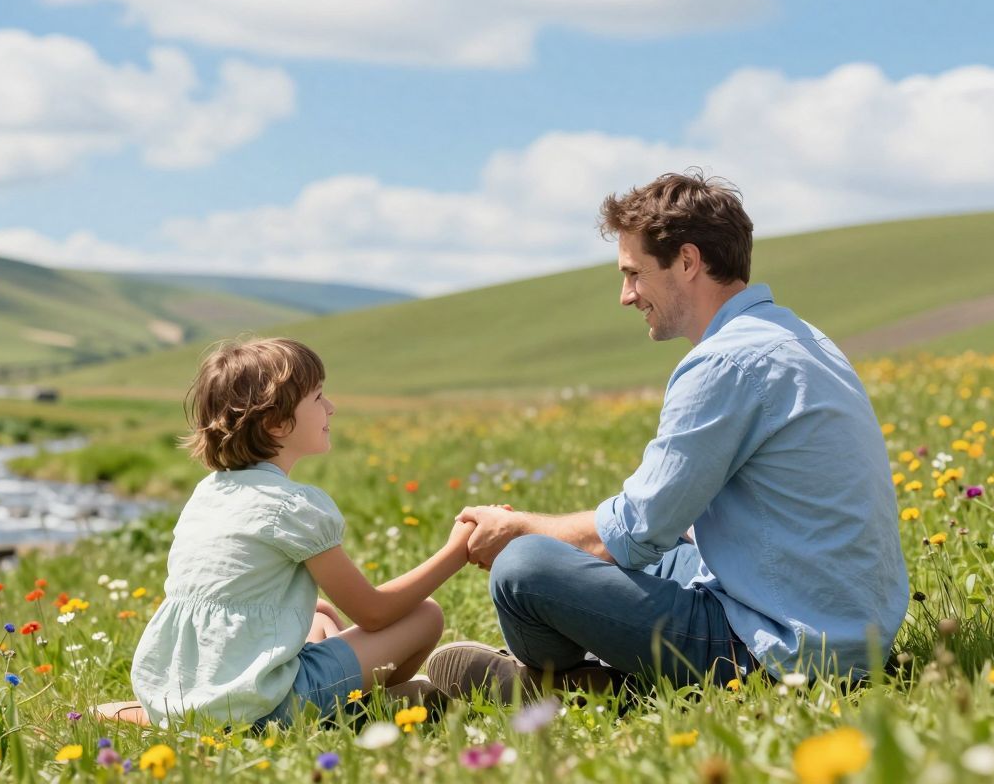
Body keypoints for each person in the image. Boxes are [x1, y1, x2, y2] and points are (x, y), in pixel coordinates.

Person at [426, 171, 909, 698]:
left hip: (783, 650)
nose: (626, 296)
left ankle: (562, 687)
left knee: (524, 568)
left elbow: (633, 532)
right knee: (662, 552)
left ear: (687, 261)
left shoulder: (727, 363)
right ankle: (600, 678)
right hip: (843, 628)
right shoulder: (799, 338)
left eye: (634, 274)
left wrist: (517, 528)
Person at [128, 337, 472, 728]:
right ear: (275, 421)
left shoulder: (208, 493)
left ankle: (136, 713)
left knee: (319, 615)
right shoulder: (290, 507)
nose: (331, 407)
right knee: (424, 616)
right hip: (263, 706)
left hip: (180, 696)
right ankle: (360, 710)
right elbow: (374, 613)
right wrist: (457, 551)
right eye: (318, 397)